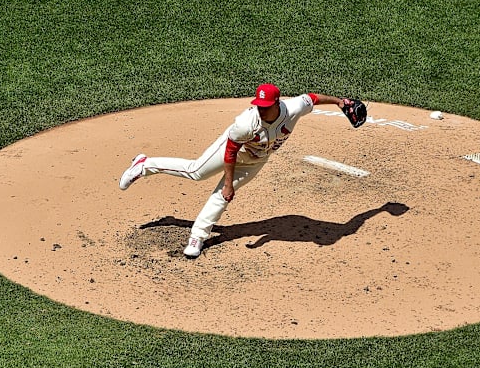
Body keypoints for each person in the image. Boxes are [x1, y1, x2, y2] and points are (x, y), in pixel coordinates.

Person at [119, 83, 359, 258]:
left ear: (277, 103)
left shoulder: (293, 108)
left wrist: (339, 102)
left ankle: (198, 236)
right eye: (259, 105)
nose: (261, 110)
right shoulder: (246, 123)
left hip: (257, 160)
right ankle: (145, 165)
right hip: (233, 151)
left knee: (223, 197)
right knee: (196, 172)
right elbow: (231, 152)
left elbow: (312, 97)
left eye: (266, 106)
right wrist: (228, 182)